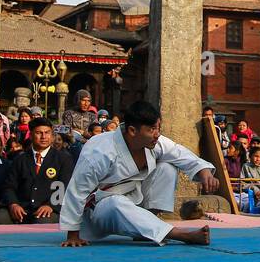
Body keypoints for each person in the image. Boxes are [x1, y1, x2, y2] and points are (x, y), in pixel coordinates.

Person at [60, 101, 217, 247]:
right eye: (151, 130)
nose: (156, 134)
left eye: (158, 128)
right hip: (100, 212)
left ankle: (148, 225)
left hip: (135, 200)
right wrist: (73, 234)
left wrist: (204, 172)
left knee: (167, 167)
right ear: (132, 130)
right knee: (116, 203)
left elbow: (178, 152)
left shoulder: (154, 142)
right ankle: (178, 234)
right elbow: (77, 190)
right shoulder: (99, 150)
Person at [3, 118, 75, 225]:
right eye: (39, 133)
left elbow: (64, 186)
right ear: (31, 135)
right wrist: (13, 204)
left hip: (49, 209)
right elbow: (9, 186)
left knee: (42, 221)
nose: (43, 137)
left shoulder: (63, 159)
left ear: (52, 136)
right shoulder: (20, 159)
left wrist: (51, 206)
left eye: (47, 133)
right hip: (22, 208)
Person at [237, 145, 260, 213]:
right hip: (257, 198)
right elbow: (242, 184)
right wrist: (255, 190)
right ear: (250, 156)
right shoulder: (246, 167)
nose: (258, 159)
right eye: (256, 156)